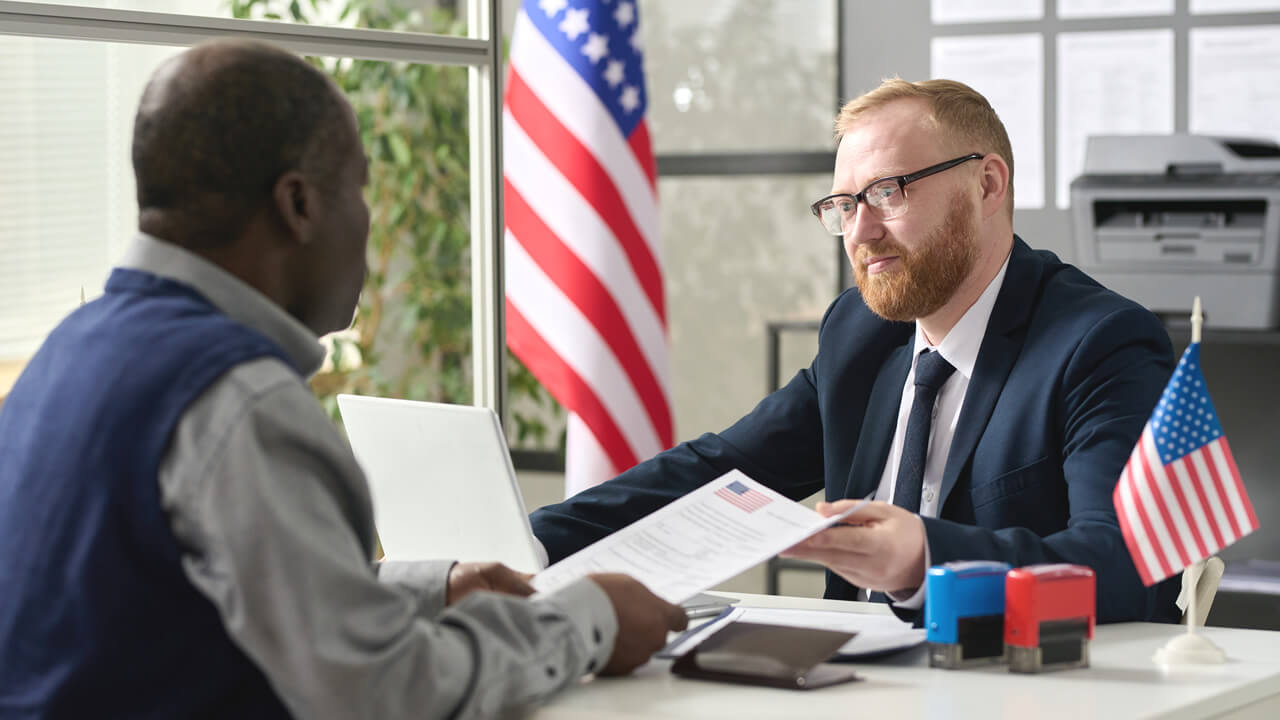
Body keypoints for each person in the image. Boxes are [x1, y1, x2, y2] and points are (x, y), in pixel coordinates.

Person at [0, 39, 685, 720]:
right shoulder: (241, 403)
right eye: (358, 186)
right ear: (297, 205)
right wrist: (586, 621)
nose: (367, 219)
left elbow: (200, 592)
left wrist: (430, 588)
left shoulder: (67, 352)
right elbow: (383, 692)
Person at [531, 78, 1182, 624]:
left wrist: (924, 557)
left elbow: (1124, 565)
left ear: (987, 186)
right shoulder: (860, 332)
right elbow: (719, 470)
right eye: (844, 204)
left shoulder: (1101, 343)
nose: (861, 232)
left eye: (889, 192)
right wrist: (525, 543)